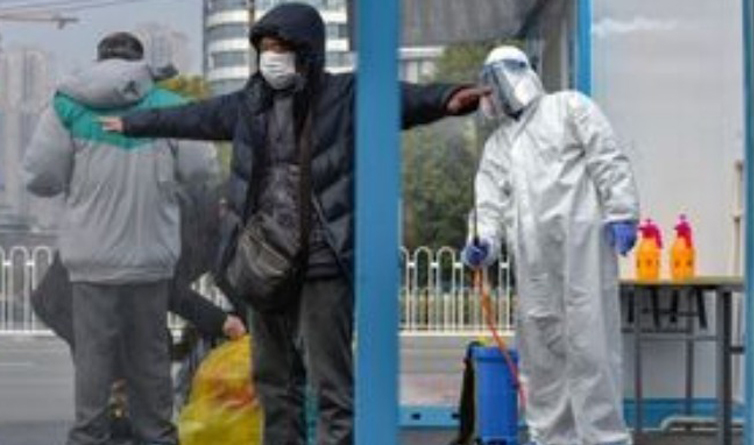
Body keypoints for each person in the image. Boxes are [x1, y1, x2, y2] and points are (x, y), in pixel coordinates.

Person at [99, 3, 485, 444]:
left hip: (323, 261)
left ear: (307, 51)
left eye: (280, 47)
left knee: (330, 385)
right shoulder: (250, 104)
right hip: (265, 265)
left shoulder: (344, 95)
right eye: (264, 48)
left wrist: (447, 97)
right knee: (274, 383)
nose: (271, 57)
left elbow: (402, 99)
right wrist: (131, 123)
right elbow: (192, 116)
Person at [23, 32, 219, 445]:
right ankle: (157, 435)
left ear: (99, 61)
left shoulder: (66, 107)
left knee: (93, 362)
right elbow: (201, 172)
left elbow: (41, 178)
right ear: (140, 64)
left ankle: (89, 436)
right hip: (150, 258)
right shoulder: (170, 104)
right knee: (150, 359)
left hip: (91, 261)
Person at [461, 46, 640, 445]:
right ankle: (553, 438)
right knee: (542, 356)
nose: (496, 91)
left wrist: (621, 211)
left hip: (582, 248)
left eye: (500, 79)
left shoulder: (569, 108)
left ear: (523, 73)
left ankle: (605, 439)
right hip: (533, 263)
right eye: (489, 85)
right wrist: (482, 241)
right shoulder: (498, 145)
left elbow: (607, 158)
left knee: (592, 347)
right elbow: (488, 206)